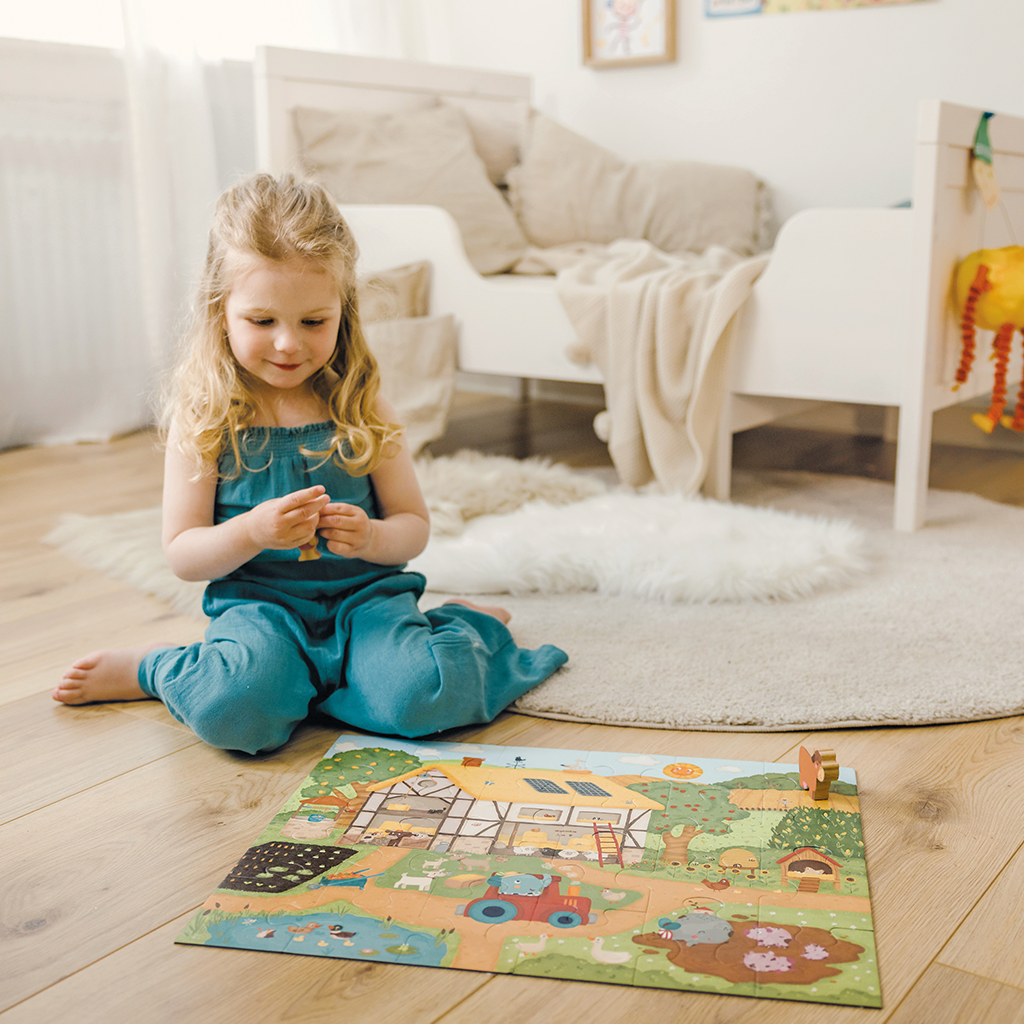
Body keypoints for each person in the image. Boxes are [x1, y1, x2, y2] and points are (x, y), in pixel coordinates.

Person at [53, 173, 567, 753]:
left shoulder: (363, 405)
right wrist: (251, 530)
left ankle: (464, 627)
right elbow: (183, 555)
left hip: (367, 603)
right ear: (221, 311)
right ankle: (157, 668)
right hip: (261, 611)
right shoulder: (205, 418)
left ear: (343, 312)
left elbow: (412, 530)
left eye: (313, 321)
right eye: (262, 321)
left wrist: (371, 536)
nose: (289, 344)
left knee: (424, 700)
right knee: (232, 714)